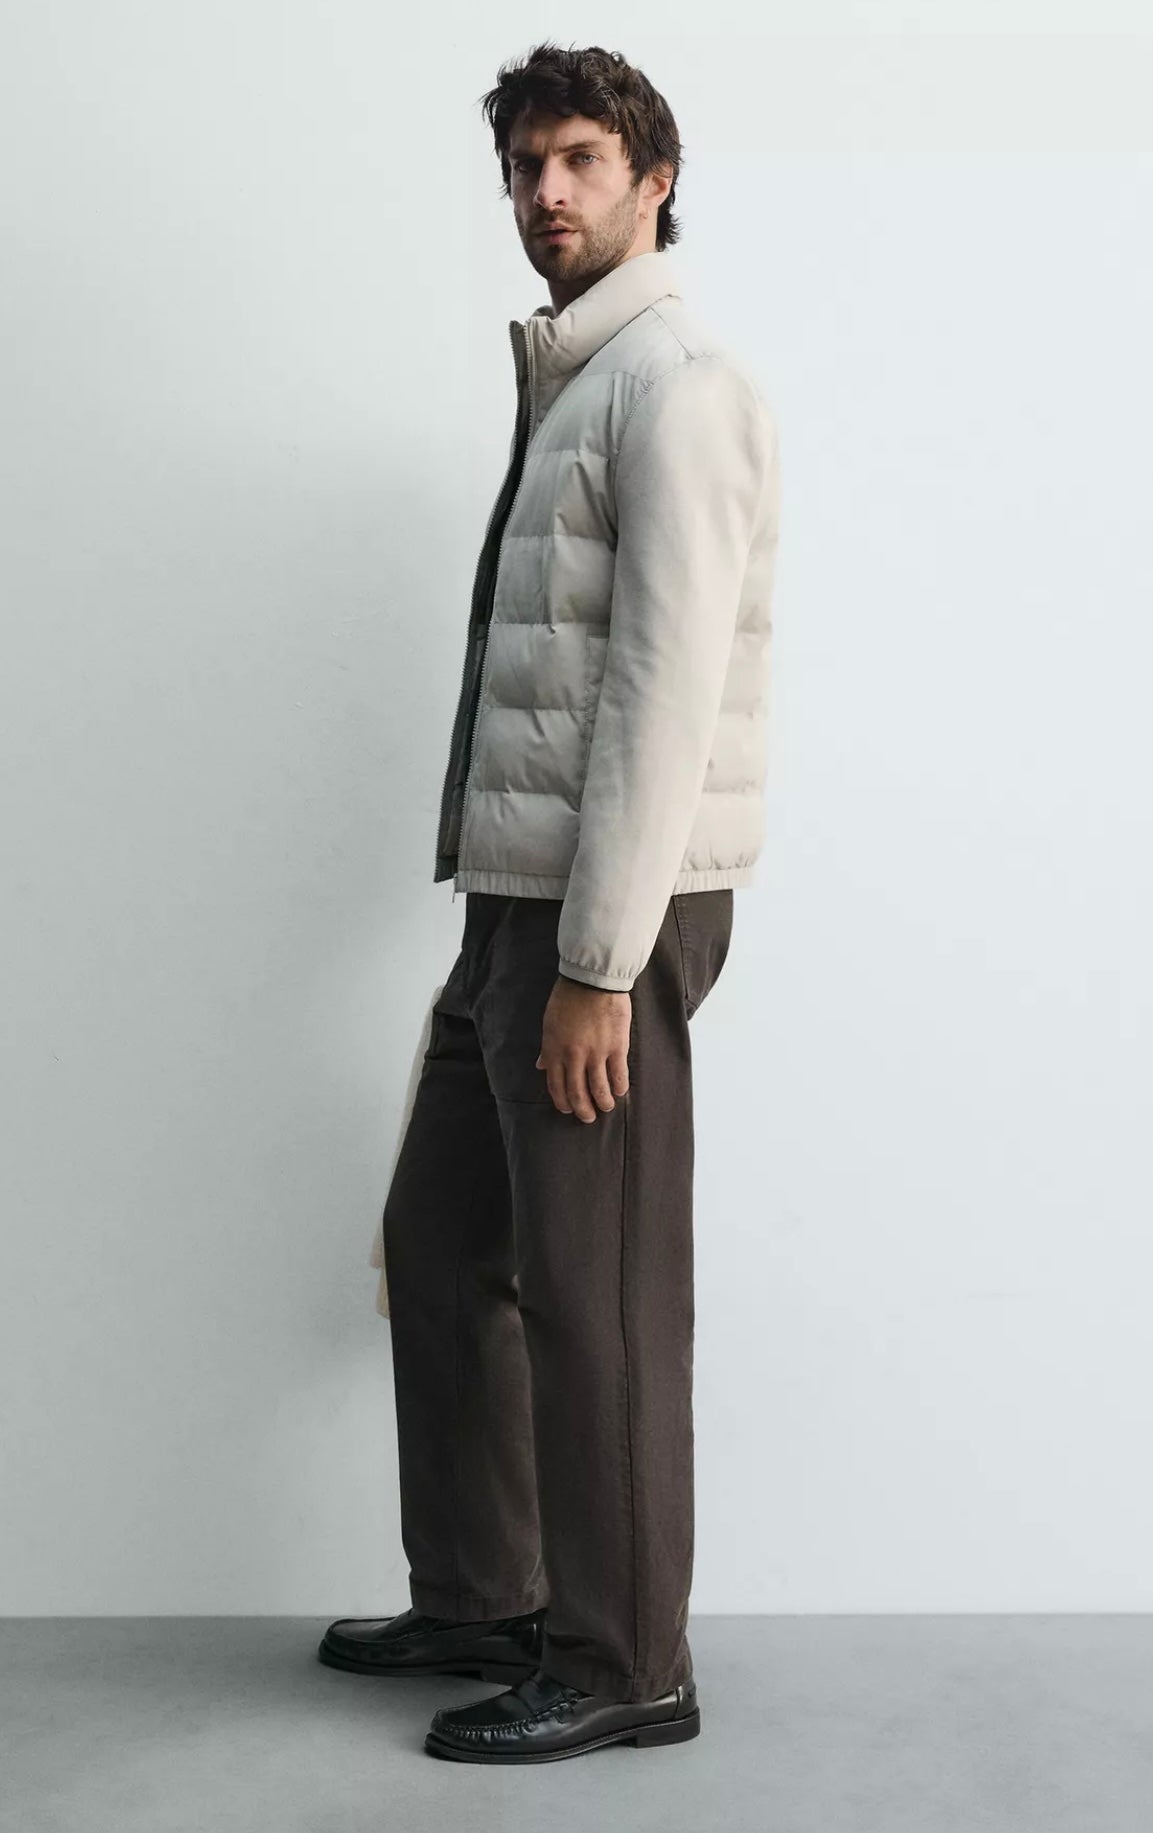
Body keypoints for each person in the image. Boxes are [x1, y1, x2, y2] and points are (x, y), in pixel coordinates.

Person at [318, 40, 781, 1763]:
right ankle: (483, 1592)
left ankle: (622, 1657)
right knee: (444, 1242)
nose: (545, 192)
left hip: (604, 915)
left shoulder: (678, 384)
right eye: (523, 166)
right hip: (512, 901)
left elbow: (661, 696)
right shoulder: (578, 377)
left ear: (653, 178)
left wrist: (598, 961)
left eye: (579, 158)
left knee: (598, 1290)